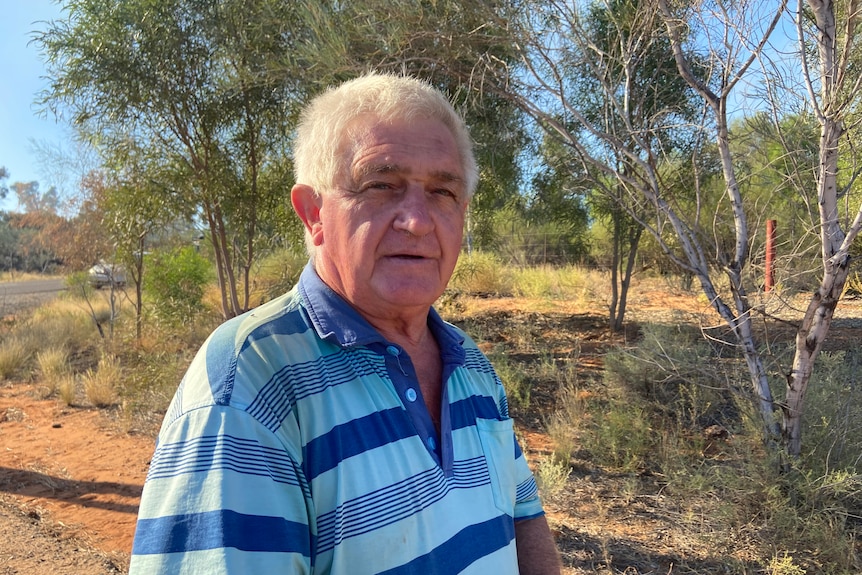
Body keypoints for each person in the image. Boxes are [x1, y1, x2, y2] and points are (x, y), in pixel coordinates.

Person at [129, 72, 562, 575]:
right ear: (313, 214)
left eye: (443, 192)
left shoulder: (471, 364)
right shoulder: (250, 385)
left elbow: (523, 518)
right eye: (381, 185)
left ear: (462, 214)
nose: (418, 221)